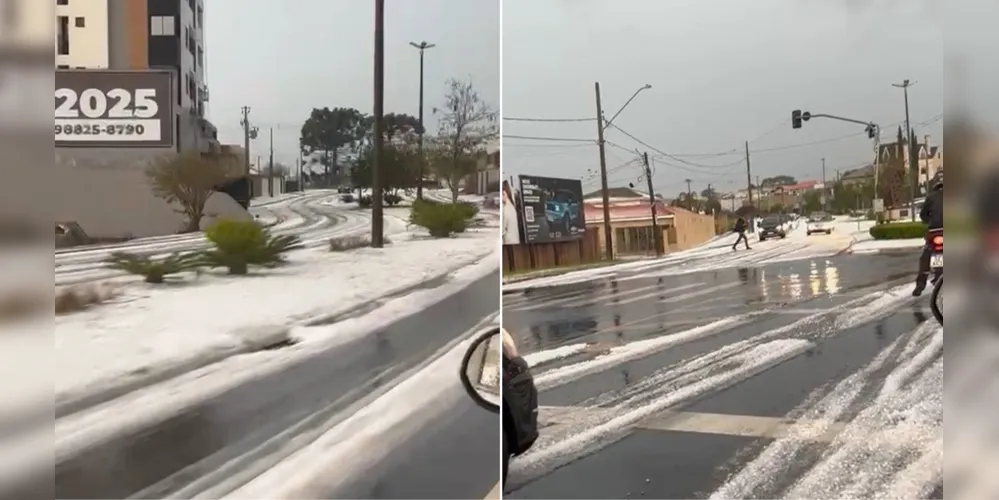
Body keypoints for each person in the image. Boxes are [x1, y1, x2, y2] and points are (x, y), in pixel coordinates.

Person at [912, 171, 943, 296]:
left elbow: (923, 215)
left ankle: (920, 284)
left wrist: (930, 221)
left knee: (926, 253)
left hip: (934, 231)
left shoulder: (931, 197)